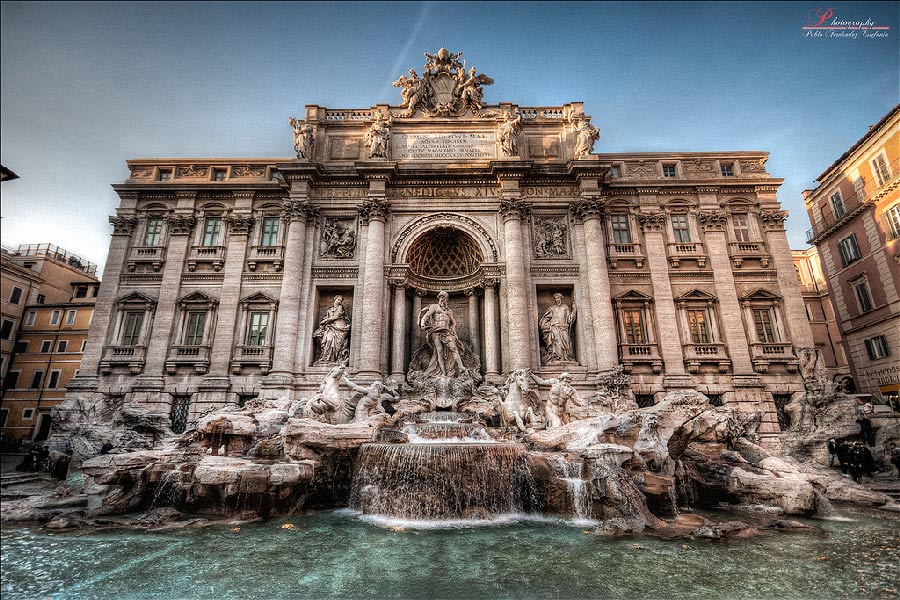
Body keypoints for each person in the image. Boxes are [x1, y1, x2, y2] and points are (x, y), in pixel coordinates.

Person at [418, 291, 466, 377]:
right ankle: (443, 372)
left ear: (446, 300)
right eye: (441, 297)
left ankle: (461, 366)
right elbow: (427, 315)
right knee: (439, 351)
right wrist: (422, 323)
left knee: (453, 347)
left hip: (446, 331)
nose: (442, 299)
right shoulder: (434, 307)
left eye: (444, 298)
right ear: (439, 298)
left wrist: (453, 329)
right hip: (436, 331)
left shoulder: (448, 311)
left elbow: (453, 322)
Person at [313, 295, 351, 365]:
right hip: (330, 327)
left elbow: (336, 316)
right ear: (335, 299)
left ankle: (334, 359)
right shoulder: (329, 309)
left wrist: (326, 321)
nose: (339, 301)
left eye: (341, 300)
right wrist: (323, 324)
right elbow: (326, 317)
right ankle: (325, 358)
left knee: (338, 344)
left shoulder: (340, 307)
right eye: (338, 299)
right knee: (329, 340)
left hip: (340, 326)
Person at [539, 293, 577, 363]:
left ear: (561, 298)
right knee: (556, 341)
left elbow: (569, 319)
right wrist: (545, 324)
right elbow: (545, 318)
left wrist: (574, 309)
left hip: (563, 327)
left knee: (566, 341)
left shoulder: (565, 307)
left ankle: (565, 357)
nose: (557, 300)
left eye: (558, 298)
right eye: (556, 299)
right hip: (554, 327)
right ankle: (557, 357)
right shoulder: (552, 308)